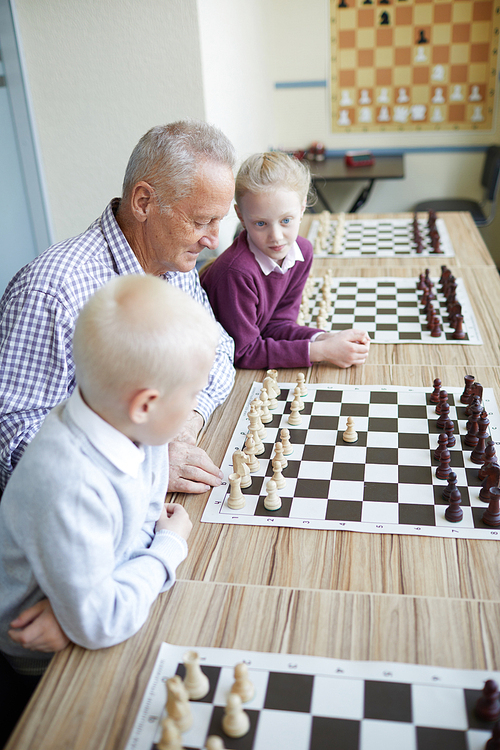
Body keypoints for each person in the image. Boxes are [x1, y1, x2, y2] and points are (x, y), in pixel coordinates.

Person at [0, 275, 219, 747]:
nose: (195, 407)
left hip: (85, 606)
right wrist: (166, 549)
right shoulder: (70, 483)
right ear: (145, 403)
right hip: (43, 656)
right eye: (192, 397)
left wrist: (88, 604)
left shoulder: (133, 428)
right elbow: (100, 623)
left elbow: (140, 514)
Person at [0, 119, 236, 498]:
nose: (212, 240)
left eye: (218, 221)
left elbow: (219, 350)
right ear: (144, 202)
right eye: (201, 221)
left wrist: (186, 422)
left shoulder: (173, 262)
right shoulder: (52, 292)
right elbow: (12, 447)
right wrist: (146, 462)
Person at [201, 152, 371, 369]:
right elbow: (243, 352)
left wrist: (323, 339)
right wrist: (320, 352)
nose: (276, 236)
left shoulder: (302, 253)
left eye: (286, 220)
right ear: (241, 216)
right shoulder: (236, 273)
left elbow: (276, 325)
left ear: (302, 209)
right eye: (261, 224)